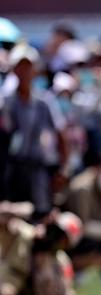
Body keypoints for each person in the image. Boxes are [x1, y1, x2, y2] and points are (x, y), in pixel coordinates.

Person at [1, 45, 66, 219]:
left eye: (27, 67)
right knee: (11, 213)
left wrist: (62, 169)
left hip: (38, 166)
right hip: (13, 166)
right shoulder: (6, 102)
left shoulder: (44, 101)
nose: (24, 72)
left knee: (40, 214)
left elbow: (61, 135)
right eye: (19, 67)